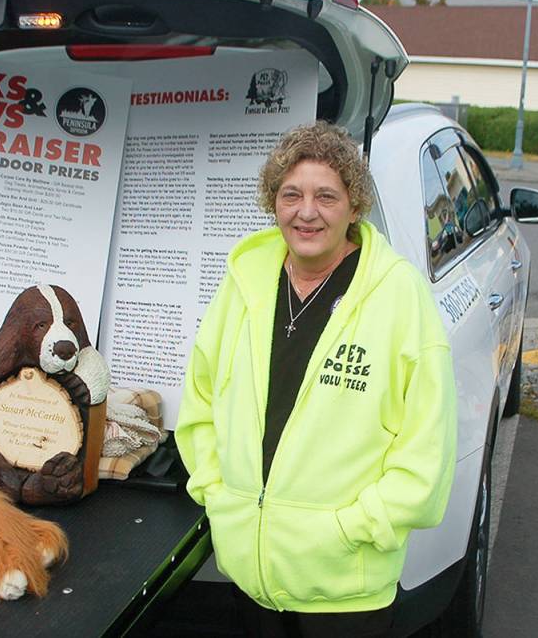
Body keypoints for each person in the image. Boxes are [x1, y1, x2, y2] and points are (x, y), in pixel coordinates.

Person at [175, 121, 457, 637]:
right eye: (291, 195)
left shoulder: (398, 293)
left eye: (326, 196)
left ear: (354, 206)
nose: (307, 212)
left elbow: (427, 448)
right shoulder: (245, 281)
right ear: (273, 203)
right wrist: (220, 497)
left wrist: (349, 531)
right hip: (251, 575)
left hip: (345, 588)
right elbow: (200, 401)